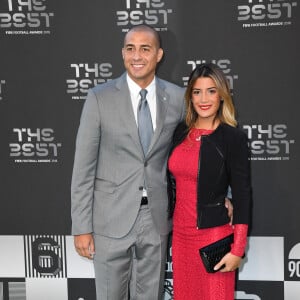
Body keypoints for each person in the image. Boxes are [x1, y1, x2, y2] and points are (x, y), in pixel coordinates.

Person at [71, 25, 233, 299]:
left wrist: (224, 194)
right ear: (123, 53)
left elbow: (208, 147)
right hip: (110, 217)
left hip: (157, 217)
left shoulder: (178, 99)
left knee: (150, 295)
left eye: (145, 49)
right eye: (130, 48)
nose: (137, 56)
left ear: (158, 55)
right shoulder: (99, 98)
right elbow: (83, 169)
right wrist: (81, 227)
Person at [167, 63, 251, 299]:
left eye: (211, 91)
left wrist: (238, 248)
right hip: (181, 237)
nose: (204, 98)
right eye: (197, 91)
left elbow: (243, 195)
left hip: (213, 238)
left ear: (222, 95)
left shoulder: (232, 138)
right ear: (190, 97)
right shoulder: (180, 132)